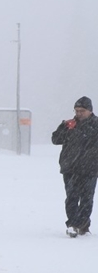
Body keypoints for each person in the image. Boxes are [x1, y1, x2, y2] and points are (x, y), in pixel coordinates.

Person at [51, 96, 98, 237]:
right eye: (76, 110)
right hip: (70, 168)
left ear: (90, 110)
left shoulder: (96, 125)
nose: (78, 113)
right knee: (71, 197)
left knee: (87, 198)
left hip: (90, 169)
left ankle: (83, 225)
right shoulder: (69, 125)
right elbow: (55, 139)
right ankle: (72, 224)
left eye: (82, 111)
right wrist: (64, 128)